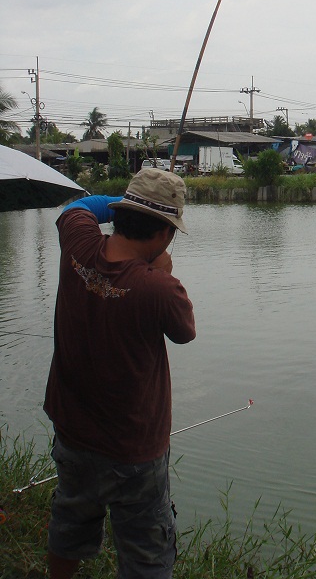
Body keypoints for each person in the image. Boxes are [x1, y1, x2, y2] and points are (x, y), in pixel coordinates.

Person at [43, 168, 196, 579]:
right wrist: (164, 273)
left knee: (69, 523)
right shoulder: (159, 288)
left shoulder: (78, 243)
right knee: (146, 553)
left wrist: (122, 199)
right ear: (166, 232)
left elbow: (76, 208)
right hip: (134, 449)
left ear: (120, 215)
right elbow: (185, 333)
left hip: (72, 432)